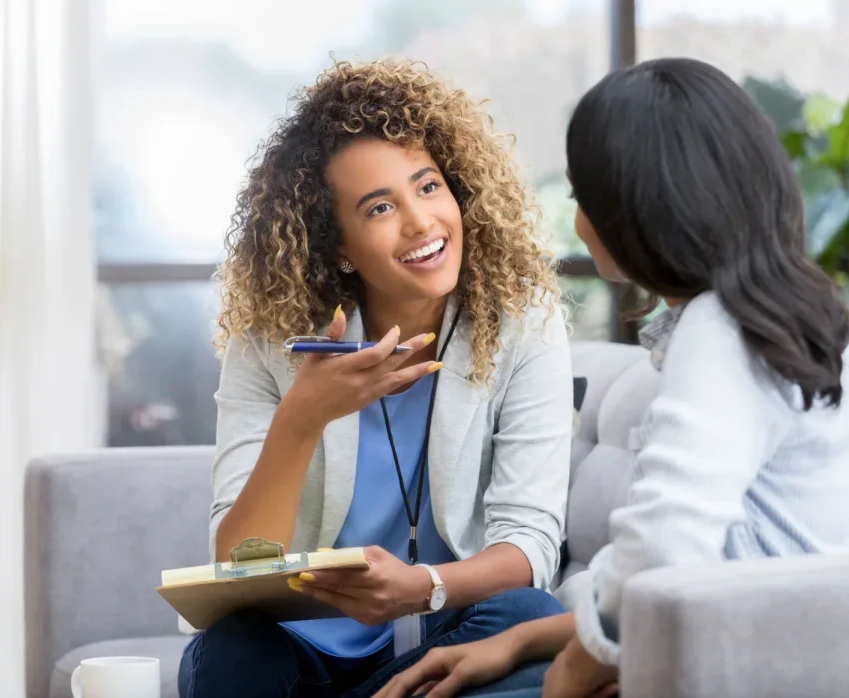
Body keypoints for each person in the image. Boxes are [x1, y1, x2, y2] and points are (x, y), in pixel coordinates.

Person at [375, 56, 849, 698]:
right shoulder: (810, 321)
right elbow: (724, 568)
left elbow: (662, 553)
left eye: (582, 198)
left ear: (639, 211)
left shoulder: (721, 334)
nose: (577, 221)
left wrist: (572, 674)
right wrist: (522, 642)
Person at [178, 59, 576, 698]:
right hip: (302, 654)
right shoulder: (270, 341)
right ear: (336, 244)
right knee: (229, 653)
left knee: (531, 617)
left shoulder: (523, 322)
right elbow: (234, 569)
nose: (420, 223)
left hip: (445, 644)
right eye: (380, 207)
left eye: (427, 187)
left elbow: (530, 545)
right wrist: (302, 418)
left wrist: (423, 588)